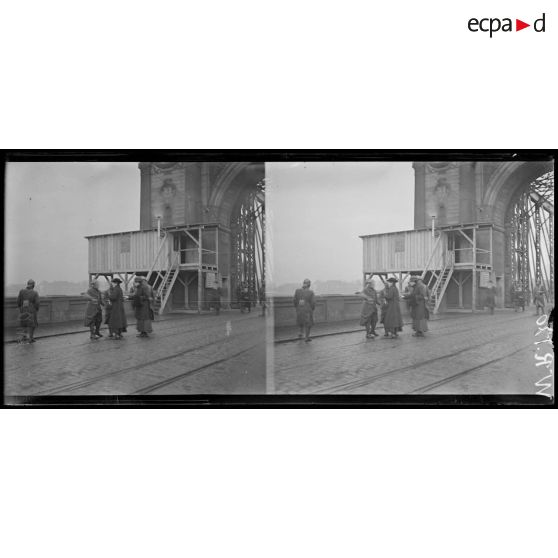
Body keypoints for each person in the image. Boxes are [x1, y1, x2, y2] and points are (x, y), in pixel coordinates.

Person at [16, 279, 40, 343]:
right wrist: (36, 309)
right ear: (33, 285)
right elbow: (37, 303)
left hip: (23, 309)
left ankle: (24, 337)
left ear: (27, 284)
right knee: (32, 325)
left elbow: (18, 301)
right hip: (32, 310)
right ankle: (31, 338)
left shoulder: (21, 291)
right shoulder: (35, 293)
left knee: (24, 324)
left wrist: (20, 307)